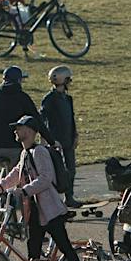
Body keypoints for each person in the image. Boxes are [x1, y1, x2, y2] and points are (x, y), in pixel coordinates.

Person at [0, 115, 79, 261]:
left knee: (65, 247)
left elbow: (46, 178)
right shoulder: (25, 153)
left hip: (50, 210)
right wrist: (2, 185)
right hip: (36, 210)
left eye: (19, 128)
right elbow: (17, 173)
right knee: (33, 246)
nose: (16, 131)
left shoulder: (39, 152)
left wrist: (24, 191)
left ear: (29, 131)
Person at [0, 64, 39, 170]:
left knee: (6, 169)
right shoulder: (22, 97)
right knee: (21, 169)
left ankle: (2, 185)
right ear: (18, 80)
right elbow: (37, 119)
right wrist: (51, 141)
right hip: (13, 147)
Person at [39, 66, 77, 202]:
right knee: (57, 171)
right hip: (55, 141)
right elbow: (42, 119)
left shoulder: (68, 99)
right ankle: (54, 199)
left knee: (71, 170)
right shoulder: (49, 99)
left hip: (68, 139)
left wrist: (75, 135)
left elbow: (71, 118)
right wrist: (45, 140)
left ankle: (69, 197)